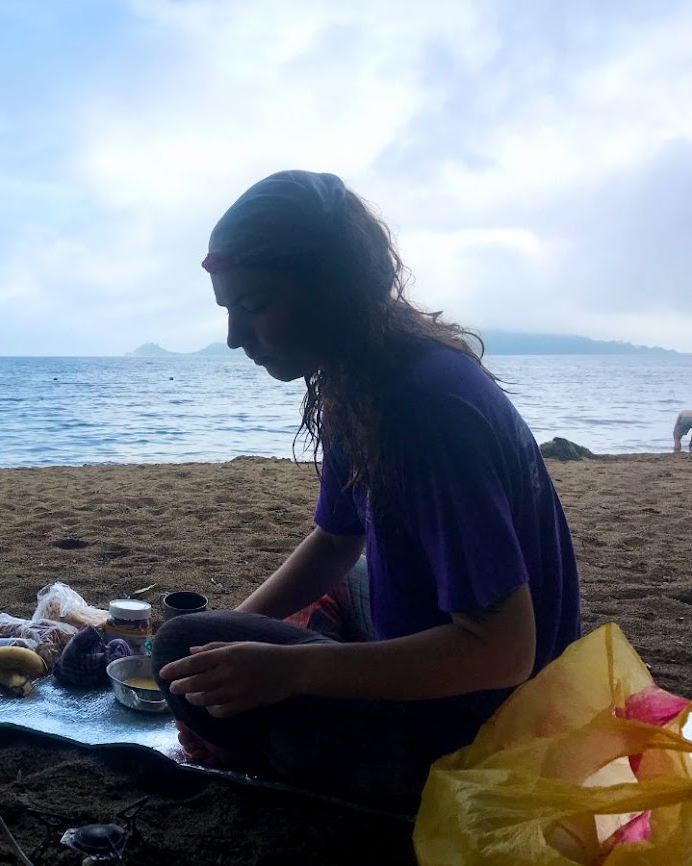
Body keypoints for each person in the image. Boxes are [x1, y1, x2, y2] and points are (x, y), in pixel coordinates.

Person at [151, 171, 581, 814]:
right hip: (473, 666)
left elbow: (502, 649)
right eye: (228, 310)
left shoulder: (423, 409)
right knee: (235, 630)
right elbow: (334, 538)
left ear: (333, 289)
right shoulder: (370, 374)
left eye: (255, 304)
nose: (237, 337)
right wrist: (235, 637)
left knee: (174, 647)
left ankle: (329, 763)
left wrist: (285, 669)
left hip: (485, 724)